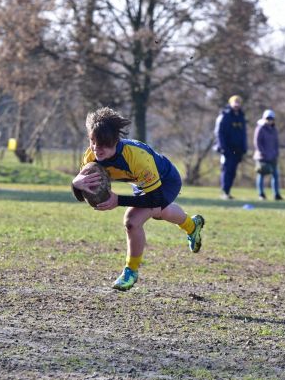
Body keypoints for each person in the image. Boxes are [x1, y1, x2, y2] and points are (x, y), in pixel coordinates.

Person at [71, 107, 205, 291]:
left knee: (133, 221)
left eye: (102, 143)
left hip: (166, 181)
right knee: (161, 212)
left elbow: (155, 199)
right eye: (92, 141)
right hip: (140, 183)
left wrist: (119, 200)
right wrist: (75, 184)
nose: (96, 148)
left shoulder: (136, 158)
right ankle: (192, 225)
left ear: (115, 140)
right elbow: (86, 195)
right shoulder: (91, 156)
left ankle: (130, 272)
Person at [214, 95, 248, 200]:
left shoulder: (241, 116)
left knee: (233, 172)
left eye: (238, 103)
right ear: (230, 103)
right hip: (227, 149)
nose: (237, 105)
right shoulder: (225, 115)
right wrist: (222, 147)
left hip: (237, 150)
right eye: (235, 102)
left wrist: (244, 147)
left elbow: (243, 133)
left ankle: (227, 191)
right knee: (226, 170)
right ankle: (225, 191)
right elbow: (219, 132)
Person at [253, 109, 284, 201]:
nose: (270, 120)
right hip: (262, 156)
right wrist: (262, 152)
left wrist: (276, 152)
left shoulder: (274, 129)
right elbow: (257, 142)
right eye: (268, 118)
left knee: (275, 175)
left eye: (271, 118)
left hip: (273, 156)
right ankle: (261, 194)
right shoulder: (260, 128)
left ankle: (276, 194)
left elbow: (276, 142)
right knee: (261, 175)